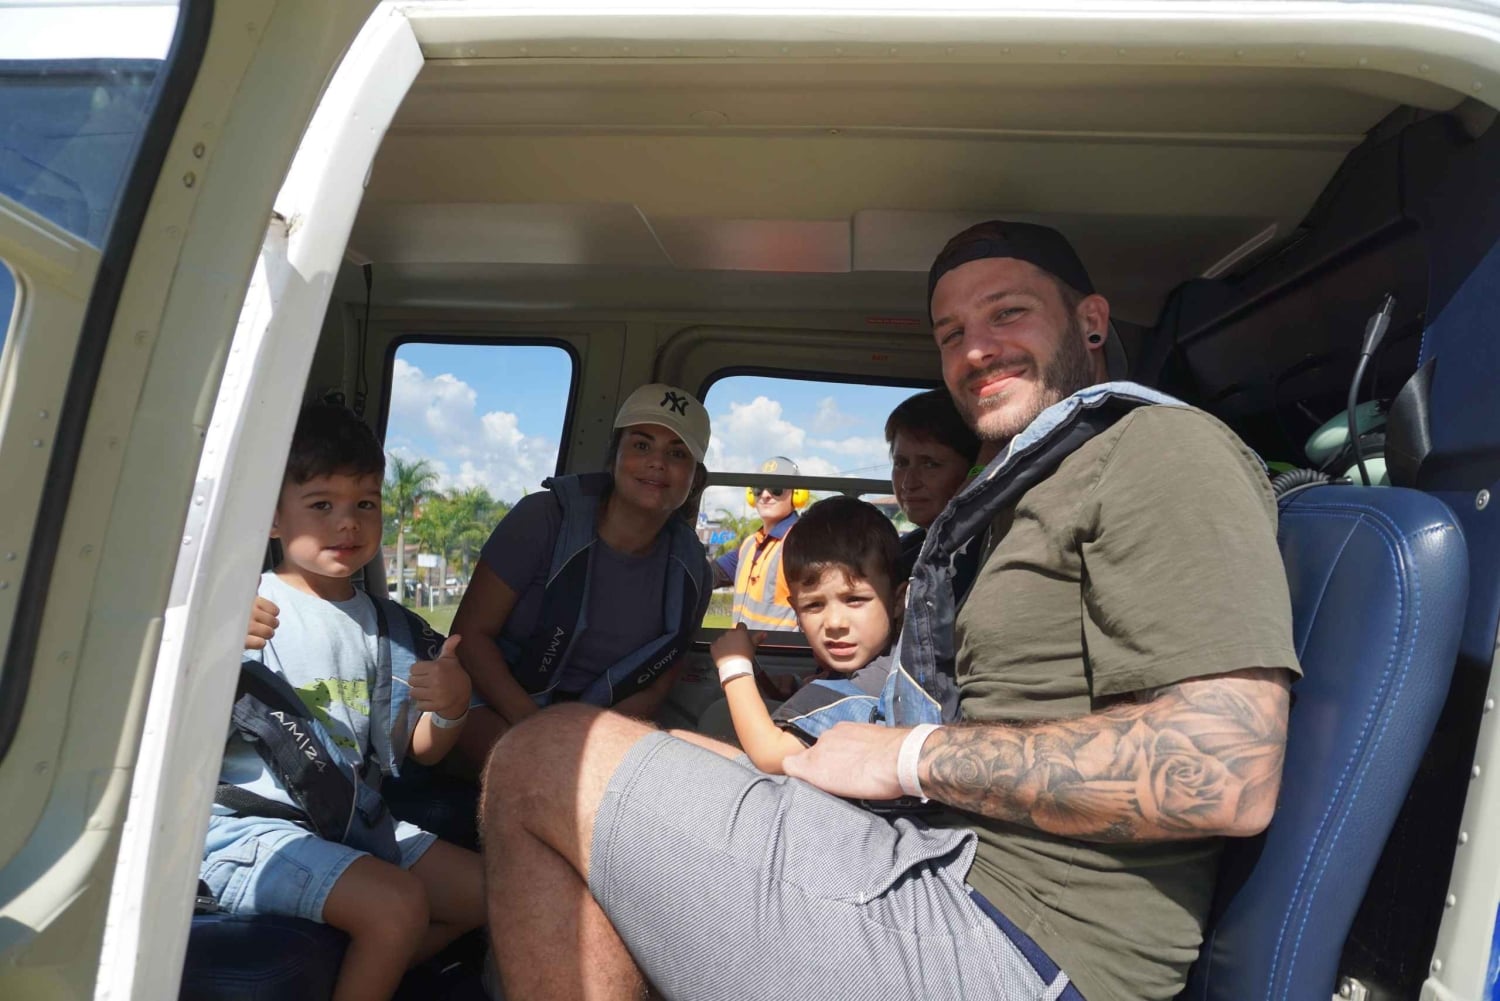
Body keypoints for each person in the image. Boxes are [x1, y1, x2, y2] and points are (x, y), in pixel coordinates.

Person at [479, 221, 1299, 1001]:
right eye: (950, 333)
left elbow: (1226, 769)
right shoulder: (1021, 491)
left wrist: (908, 757)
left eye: (1007, 312)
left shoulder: (1156, 450)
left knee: (543, 760)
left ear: (1089, 324)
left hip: (1018, 946)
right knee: (664, 747)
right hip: (941, 858)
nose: (976, 350)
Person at [205, 403, 484, 1001]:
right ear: (274, 519)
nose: (347, 524)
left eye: (365, 504)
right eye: (321, 505)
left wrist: (452, 707)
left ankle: (355, 975)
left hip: (354, 824)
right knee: (397, 907)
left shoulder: (391, 628)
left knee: (494, 895)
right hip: (250, 828)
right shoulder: (235, 606)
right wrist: (209, 650)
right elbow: (168, 733)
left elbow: (422, 752)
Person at [450, 383, 714, 765]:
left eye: (677, 453)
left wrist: (591, 741)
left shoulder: (692, 573)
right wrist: (539, 729)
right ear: (614, 457)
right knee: (534, 771)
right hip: (496, 703)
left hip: (595, 727)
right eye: (641, 445)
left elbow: (657, 688)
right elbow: (470, 638)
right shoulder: (541, 519)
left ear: (695, 478)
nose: (657, 463)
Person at [709, 496, 905, 773]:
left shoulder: (874, 684)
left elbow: (772, 754)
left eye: (855, 600)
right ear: (796, 611)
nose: (835, 622)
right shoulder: (866, 666)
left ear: (897, 601)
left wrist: (734, 666)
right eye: (814, 605)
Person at [885, 387, 982, 594]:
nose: (908, 483)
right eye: (901, 463)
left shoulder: (983, 556)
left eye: (930, 464)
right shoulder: (902, 555)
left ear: (972, 469)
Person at [712, 455, 805, 631]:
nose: (765, 495)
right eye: (758, 488)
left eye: (776, 489)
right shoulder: (750, 545)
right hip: (744, 651)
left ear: (797, 495)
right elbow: (709, 574)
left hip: (781, 656)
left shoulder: (801, 543)